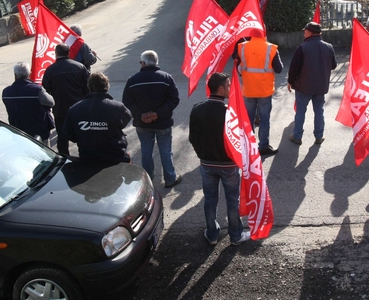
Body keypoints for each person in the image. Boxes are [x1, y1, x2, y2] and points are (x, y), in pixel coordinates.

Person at [189, 72, 250, 246]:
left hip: (207, 163)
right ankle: (235, 236)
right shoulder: (230, 113)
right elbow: (240, 140)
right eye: (229, 85)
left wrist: (202, 154)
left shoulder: (197, 109)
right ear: (221, 88)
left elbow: (192, 137)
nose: (231, 89)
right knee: (232, 200)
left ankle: (212, 234)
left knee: (210, 199)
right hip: (229, 165)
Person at [122, 50, 182, 188]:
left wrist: (141, 114)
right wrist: (158, 114)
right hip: (163, 122)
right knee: (166, 150)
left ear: (143, 63)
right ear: (156, 62)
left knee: (146, 151)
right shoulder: (166, 78)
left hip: (142, 123)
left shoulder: (133, 80)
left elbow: (127, 101)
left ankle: (148, 179)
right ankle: (170, 178)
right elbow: (174, 99)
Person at [61, 72, 132, 163]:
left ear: (89, 87)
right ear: (107, 87)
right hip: (115, 156)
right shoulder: (117, 107)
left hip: (88, 157)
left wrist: (85, 134)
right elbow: (126, 120)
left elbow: (68, 133)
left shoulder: (74, 109)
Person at [287, 22, 337, 146]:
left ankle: (297, 136)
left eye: (305, 31)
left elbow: (294, 68)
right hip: (321, 86)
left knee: (300, 111)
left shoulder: (303, 47)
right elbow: (334, 65)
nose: (304, 33)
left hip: (303, 86)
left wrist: (290, 81)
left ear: (310, 32)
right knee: (319, 111)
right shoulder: (329, 47)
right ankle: (319, 136)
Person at [233, 35, 283, 156]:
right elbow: (279, 69)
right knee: (264, 118)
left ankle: (249, 146)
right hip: (264, 90)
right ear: (264, 33)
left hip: (248, 89)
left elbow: (236, 64)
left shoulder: (242, 47)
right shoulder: (271, 48)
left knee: (248, 118)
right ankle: (263, 146)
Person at [42, 43, 90, 155]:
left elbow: (45, 90)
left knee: (62, 137)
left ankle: (64, 160)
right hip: (79, 109)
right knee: (82, 135)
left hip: (60, 110)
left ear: (56, 53)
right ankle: (85, 158)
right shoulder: (80, 67)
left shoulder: (50, 70)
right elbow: (88, 88)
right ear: (69, 53)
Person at [2, 62, 55, 143]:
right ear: (29, 74)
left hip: (18, 131)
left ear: (15, 75)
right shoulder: (37, 90)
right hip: (39, 132)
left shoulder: (6, 92)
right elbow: (51, 102)